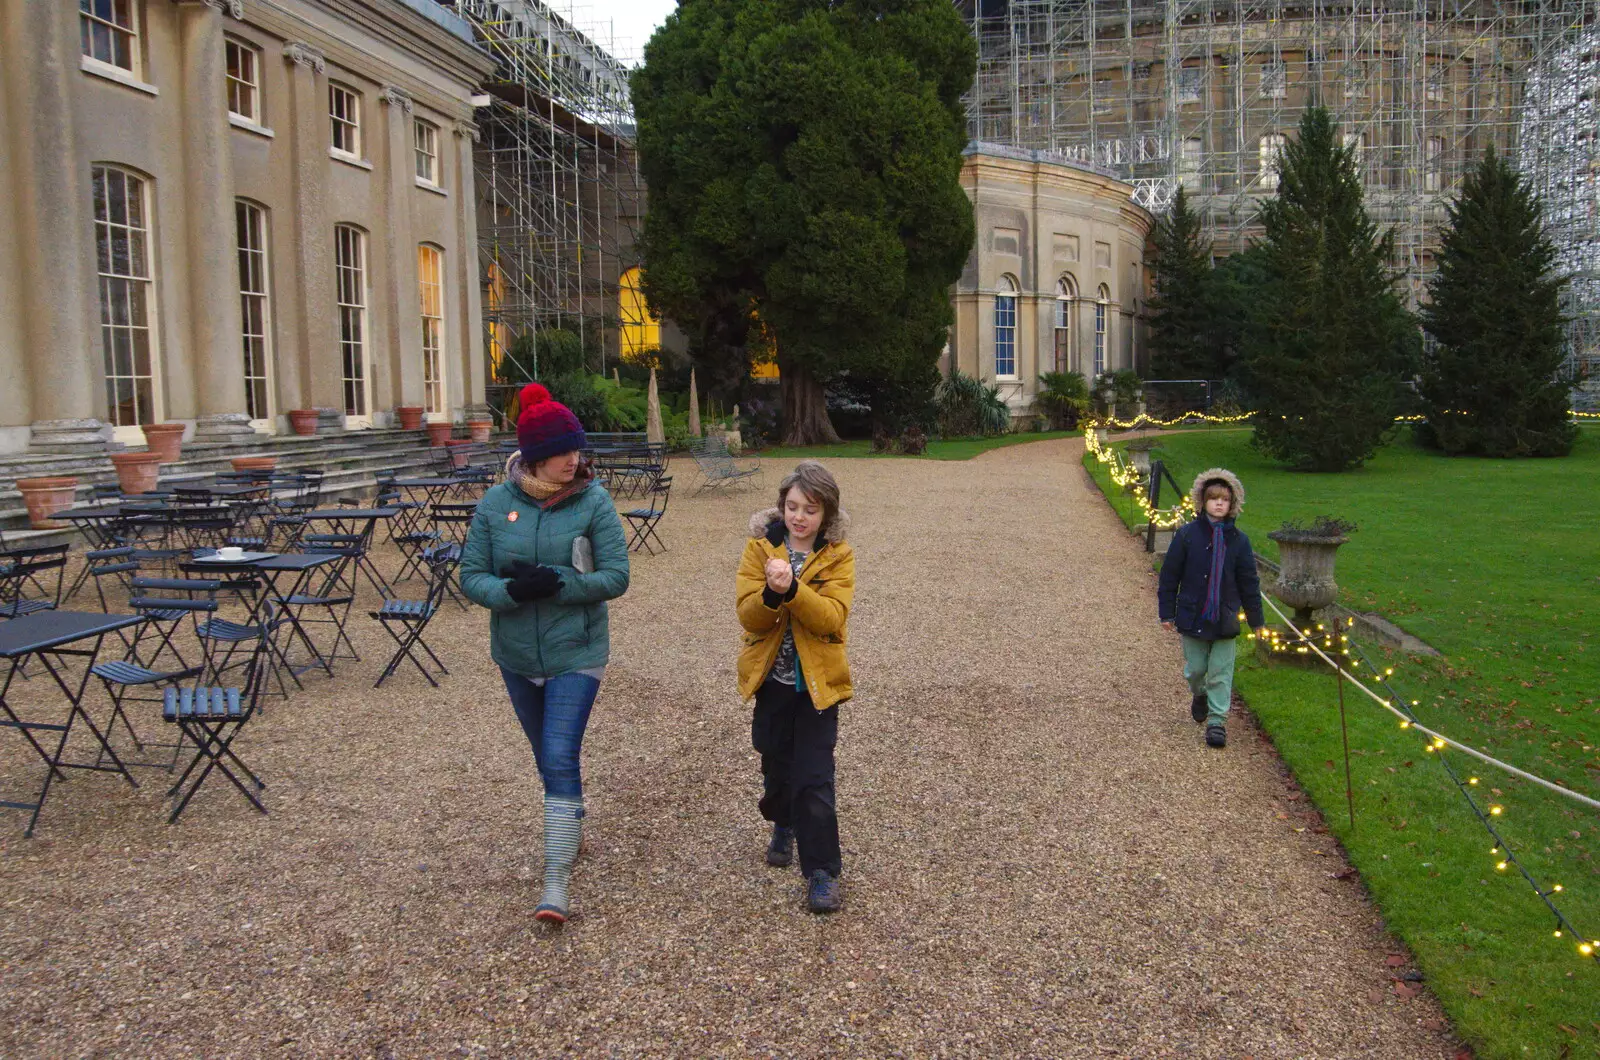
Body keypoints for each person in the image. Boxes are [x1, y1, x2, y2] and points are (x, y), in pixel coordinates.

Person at [460, 383, 629, 924]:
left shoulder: (594, 499)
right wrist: (509, 593)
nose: (572, 459)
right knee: (546, 758)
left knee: (558, 754)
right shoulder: (495, 503)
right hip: (514, 654)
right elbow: (470, 576)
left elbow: (617, 576)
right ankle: (571, 824)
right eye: (561, 451)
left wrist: (559, 582)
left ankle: (555, 883)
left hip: (576, 650)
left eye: (576, 449)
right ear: (533, 455)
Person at [735, 461, 855, 914]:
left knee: (815, 779)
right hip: (772, 683)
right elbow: (748, 615)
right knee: (775, 764)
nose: (799, 517)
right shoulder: (760, 549)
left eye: (810, 508)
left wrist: (792, 590)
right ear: (781, 506)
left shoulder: (838, 555)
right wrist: (769, 592)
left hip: (818, 686)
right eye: (792, 506)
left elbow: (831, 618)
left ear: (826, 513)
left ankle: (822, 871)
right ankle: (782, 823)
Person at [1157, 468, 1267, 749]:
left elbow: (1249, 582)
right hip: (1192, 614)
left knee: (1220, 671)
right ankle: (1200, 694)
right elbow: (1170, 575)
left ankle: (1217, 722)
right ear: (1202, 501)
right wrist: (1166, 612)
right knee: (1195, 670)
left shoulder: (1239, 541)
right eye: (1213, 498)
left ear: (1233, 504)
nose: (1219, 503)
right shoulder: (1187, 535)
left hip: (1225, 617)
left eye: (1224, 499)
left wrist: (1256, 620)